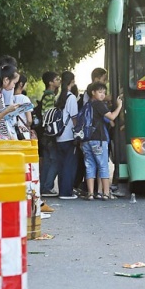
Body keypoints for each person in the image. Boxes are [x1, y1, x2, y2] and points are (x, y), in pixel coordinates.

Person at [82, 82, 123, 200]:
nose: (102, 95)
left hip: (86, 140)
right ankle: (106, 193)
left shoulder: (86, 105)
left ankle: (90, 193)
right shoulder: (99, 105)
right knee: (103, 166)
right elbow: (112, 117)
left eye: (104, 92)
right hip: (98, 139)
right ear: (93, 92)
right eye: (100, 92)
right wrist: (119, 105)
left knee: (90, 166)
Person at [55, 71, 80, 199]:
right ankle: (66, 192)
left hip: (59, 136)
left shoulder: (59, 97)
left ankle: (62, 190)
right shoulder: (71, 98)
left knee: (62, 165)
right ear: (72, 82)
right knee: (70, 164)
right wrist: (78, 132)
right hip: (69, 135)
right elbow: (74, 118)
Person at [39, 71, 61, 197]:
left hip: (44, 134)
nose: (58, 81)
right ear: (50, 83)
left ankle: (43, 186)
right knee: (54, 160)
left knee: (47, 161)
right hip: (50, 134)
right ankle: (48, 186)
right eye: (56, 79)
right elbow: (49, 115)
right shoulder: (50, 97)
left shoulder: (46, 95)